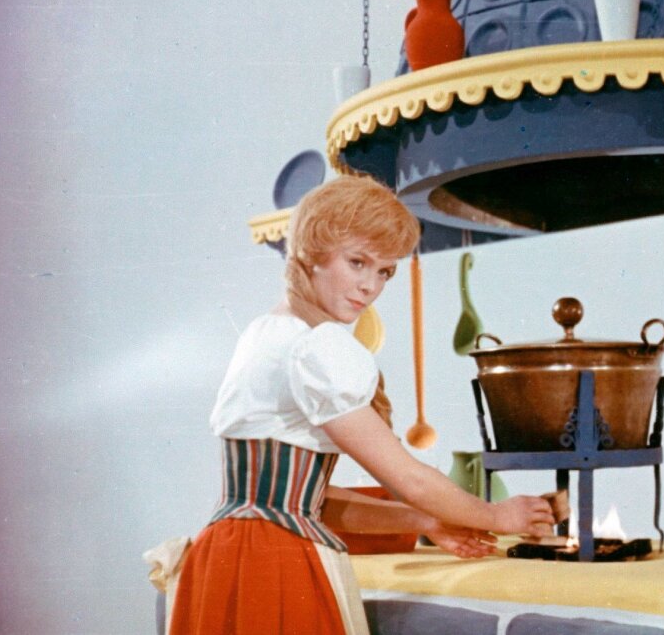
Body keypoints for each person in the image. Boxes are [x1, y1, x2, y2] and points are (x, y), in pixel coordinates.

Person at [169, 175, 555, 634]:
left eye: (384, 272)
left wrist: (426, 520)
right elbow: (409, 477)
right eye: (357, 263)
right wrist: (496, 514)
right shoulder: (315, 347)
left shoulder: (265, 332)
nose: (370, 286)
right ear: (312, 253)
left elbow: (306, 503)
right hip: (274, 564)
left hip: (225, 556)